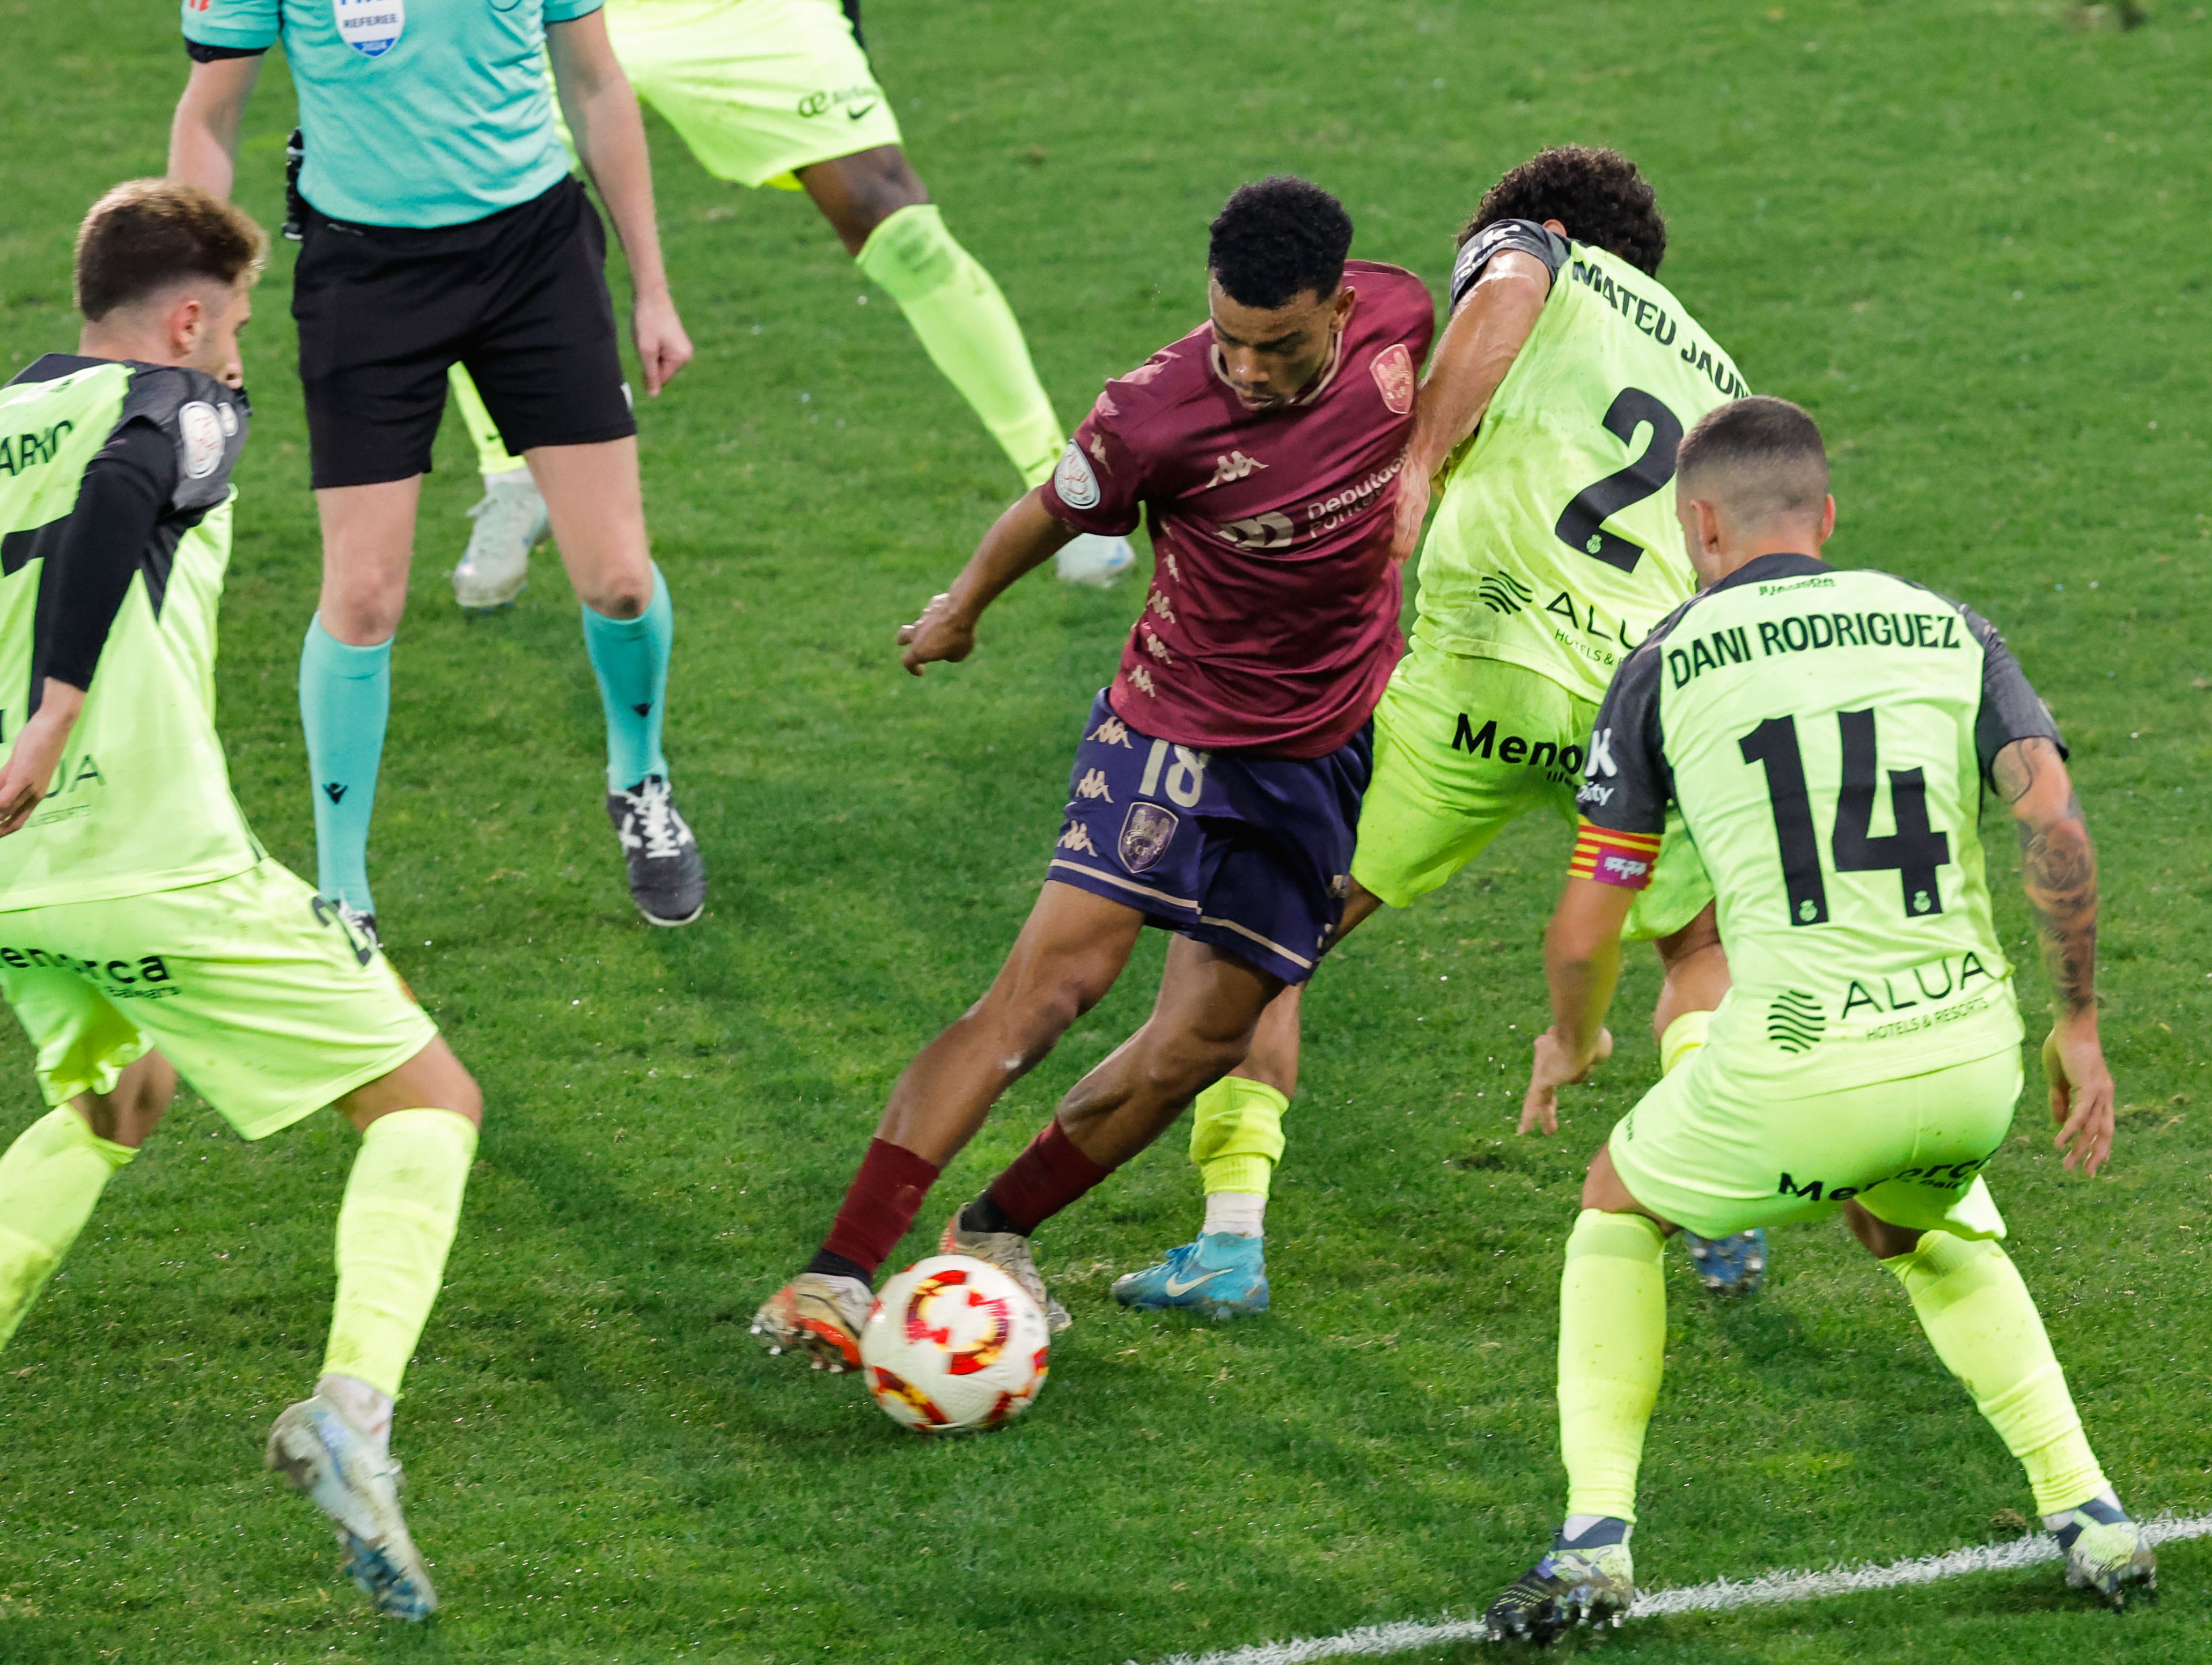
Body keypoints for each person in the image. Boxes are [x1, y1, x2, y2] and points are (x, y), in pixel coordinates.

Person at [0, 183, 483, 1623]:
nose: (244, 356)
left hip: (0, 882)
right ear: (187, 316)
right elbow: (123, 494)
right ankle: (353, 1418)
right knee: (430, 1104)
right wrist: (66, 703)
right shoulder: (177, 404)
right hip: (151, 861)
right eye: (240, 325)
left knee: (116, 1102)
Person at [1481, 396, 2150, 1640]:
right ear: (1826, 517)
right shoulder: (1951, 628)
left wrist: (1571, 1039)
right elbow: (2054, 823)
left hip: (1795, 1076)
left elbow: (1586, 925)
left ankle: (1594, 1543)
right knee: (1921, 1222)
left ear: (1699, 527)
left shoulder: (1666, 661)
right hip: (1967, 1063)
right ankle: (2093, 1510)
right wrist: (2082, 1026)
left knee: (1614, 1207)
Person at [751, 177, 1435, 1366]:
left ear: (1339, 304)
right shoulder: (1153, 415)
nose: (1249, 370)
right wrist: (961, 609)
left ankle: (996, 1227)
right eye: (1228, 337)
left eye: (1276, 347)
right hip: (1170, 732)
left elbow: (1500, 320)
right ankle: (839, 1268)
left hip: (1319, 756)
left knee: (1205, 1045)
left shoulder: (1405, 320)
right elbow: (1048, 512)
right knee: (1043, 997)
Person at [1115, 148, 1766, 1321]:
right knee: (1697, 946)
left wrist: (1417, 463)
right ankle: (1717, 1190)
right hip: (1644, 697)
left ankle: (1227, 1240)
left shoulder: (1534, 246)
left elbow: (1511, 284)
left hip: (1484, 668)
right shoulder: (1716, 369)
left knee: (1263, 921)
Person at [171, 0, 708, 933]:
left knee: (619, 581)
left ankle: (641, 779)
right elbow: (210, 116)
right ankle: (343, 892)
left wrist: (652, 288)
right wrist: (204, 310)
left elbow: (596, 83)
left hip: (535, 255)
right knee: (366, 595)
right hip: (367, 277)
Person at [442, 0, 1135, 604]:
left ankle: (1056, 487)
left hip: (749, 15)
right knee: (462, 207)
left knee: (892, 217)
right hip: (548, 12)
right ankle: (511, 476)